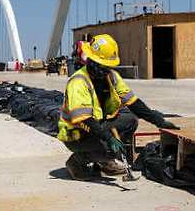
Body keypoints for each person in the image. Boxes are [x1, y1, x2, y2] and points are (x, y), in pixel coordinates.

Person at [58, 33, 179, 180]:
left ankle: (102, 161)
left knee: (130, 120)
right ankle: (77, 162)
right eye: (104, 66)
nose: (107, 70)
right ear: (92, 61)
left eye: (109, 66)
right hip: (76, 133)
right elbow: (84, 119)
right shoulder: (78, 81)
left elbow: (133, 102)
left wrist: (157, 120)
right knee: (111, 146)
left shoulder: (111, 76)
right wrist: (109, 138)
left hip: (95, 124)